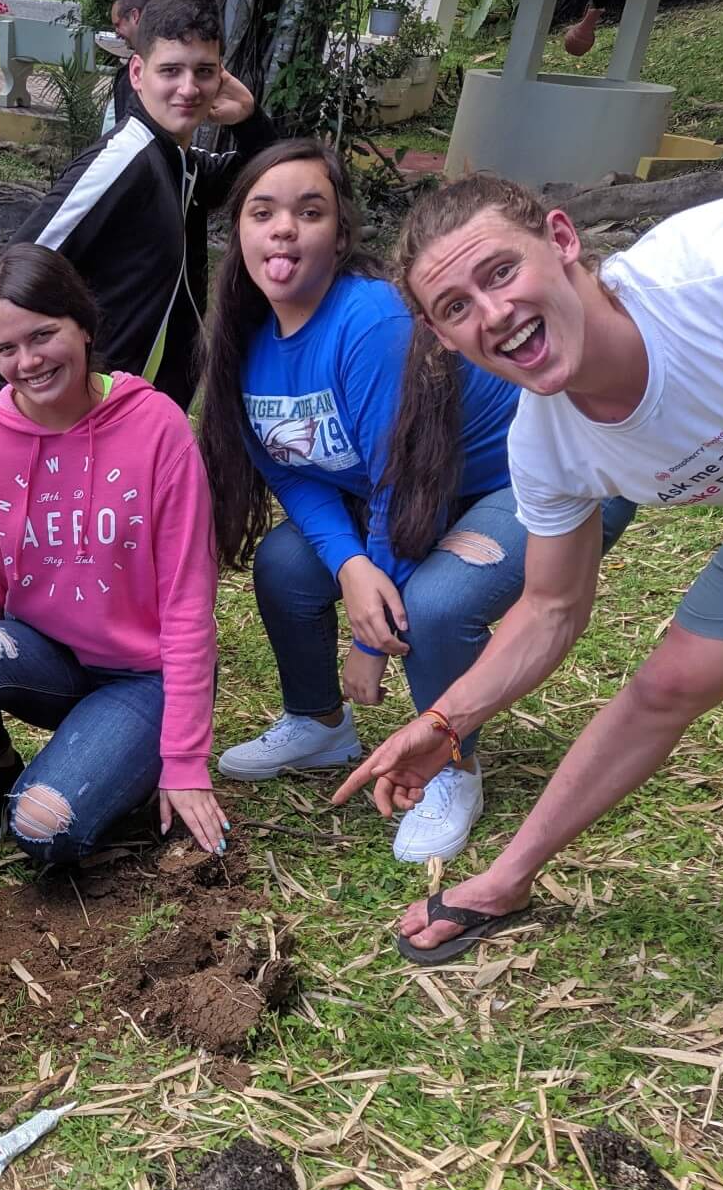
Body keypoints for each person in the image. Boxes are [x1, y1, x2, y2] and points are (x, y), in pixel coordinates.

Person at [337, 175, 723, 962]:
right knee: (667, 685)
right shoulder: (548, 444)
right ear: (441, 337)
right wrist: (446, 720)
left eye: (500, 272)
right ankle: (506, 878)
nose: (494, 314)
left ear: (563, 241)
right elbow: (550, 609)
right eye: (456, 307)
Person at [197, 139, 631, 862]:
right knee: (285, 562)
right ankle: (319, 724)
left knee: (432, 605)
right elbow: (293, 468)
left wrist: (370, 643)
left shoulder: (370, 320)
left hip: (526, 484)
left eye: (311, 211)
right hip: (417, 497)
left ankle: (452, 771)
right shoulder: (244, 335)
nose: (284, 228)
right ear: (237, 230)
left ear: (340, 235)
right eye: (262, 211)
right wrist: (347, 566)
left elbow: (406, 480)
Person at [0, 243, 227, 866]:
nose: (27, 361)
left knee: (43, 830)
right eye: (6, 348)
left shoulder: (156, 427)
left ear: (83, 325)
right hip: (48, 663)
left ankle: (119, 756)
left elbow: (190, 601)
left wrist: (187, 760)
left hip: (145, 677)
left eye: (42, 335)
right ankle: (0, 767)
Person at [9, 0, 277, 410]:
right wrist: (19, 403)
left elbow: (267, 178)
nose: (189, 88)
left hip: (146, 417)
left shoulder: (180, 160)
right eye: (170, 71)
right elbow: (17, 270)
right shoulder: (125, 162)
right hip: (98, 415)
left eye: (204, 72)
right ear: (137, 74)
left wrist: (249, 120)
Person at [98, 0, 150, 135]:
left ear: (134, 16)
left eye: (117, 25)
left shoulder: (150, 68)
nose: (117, 33)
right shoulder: (144, 60)